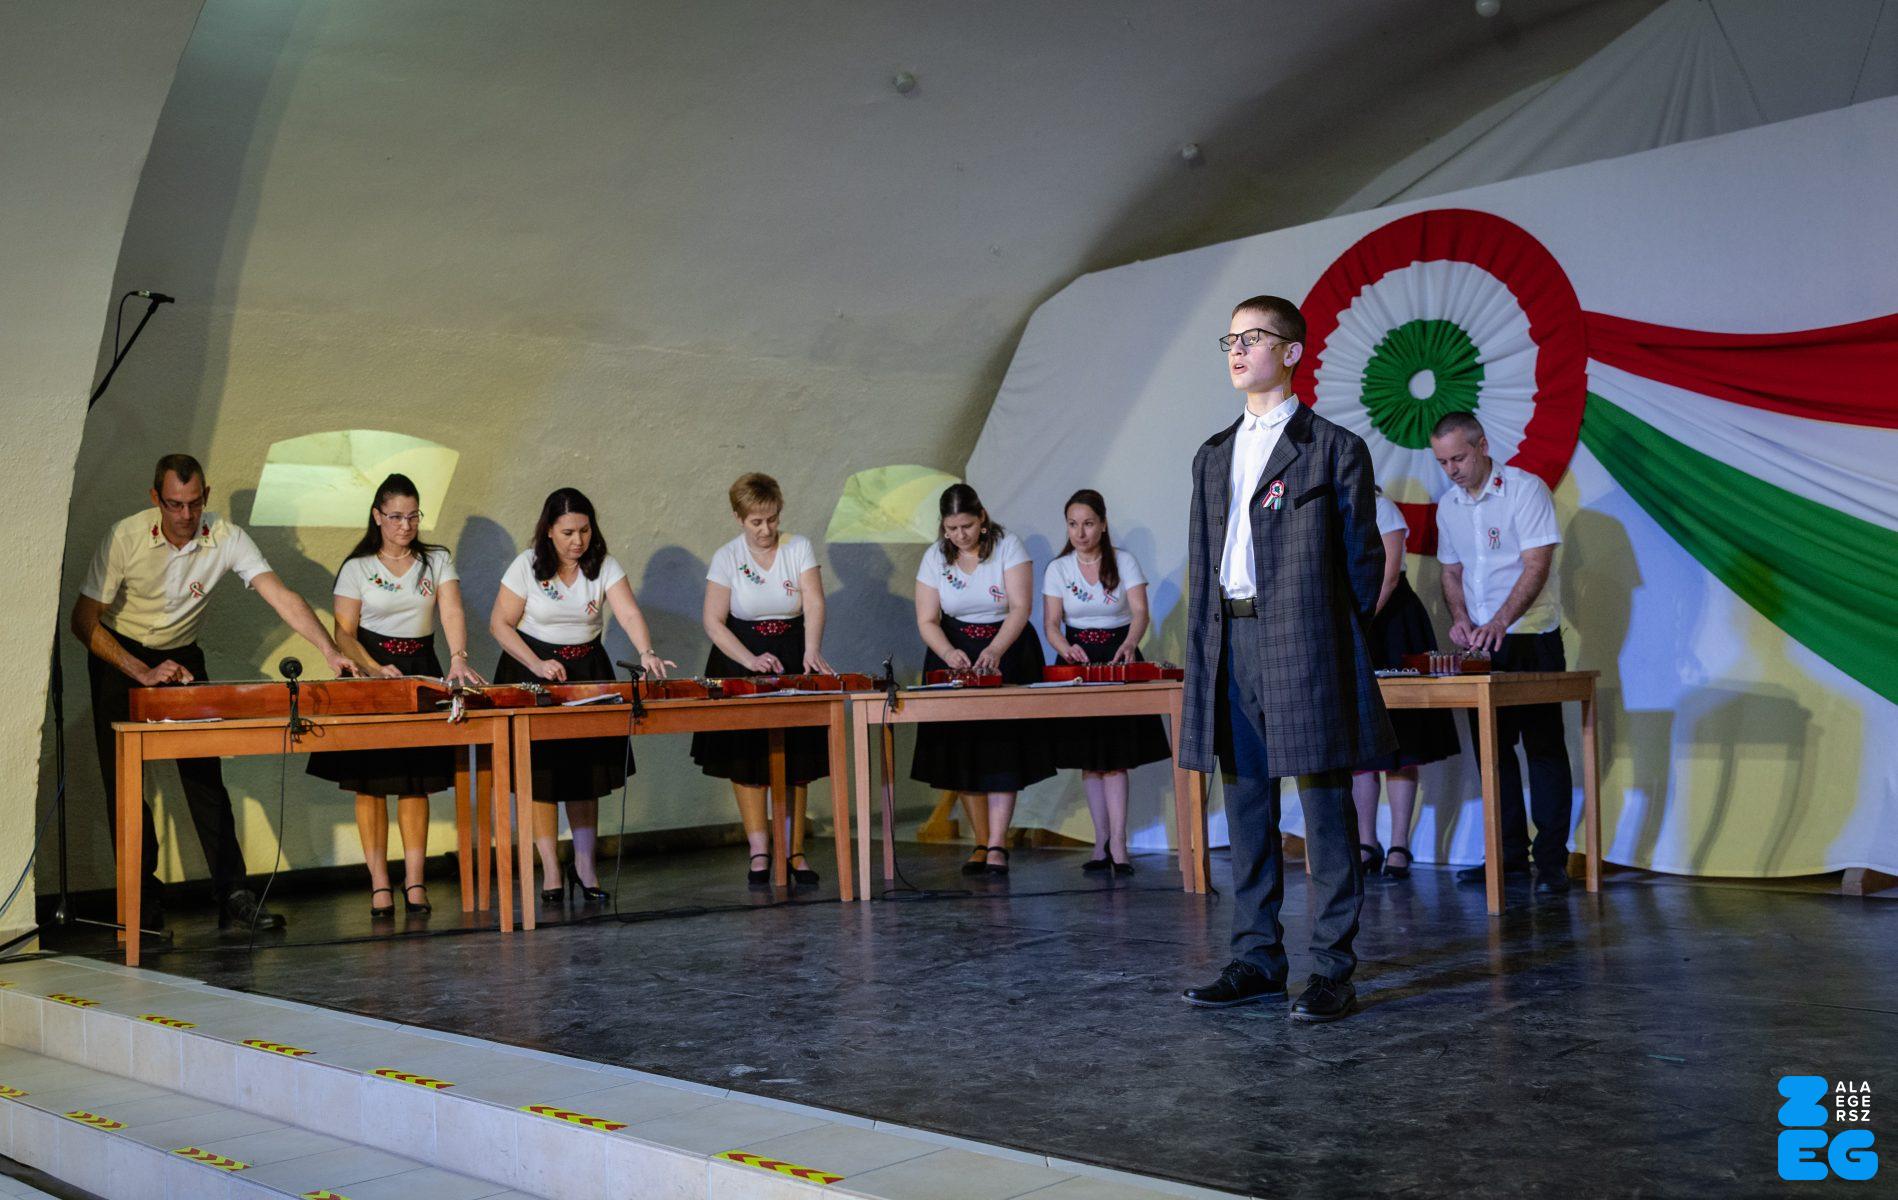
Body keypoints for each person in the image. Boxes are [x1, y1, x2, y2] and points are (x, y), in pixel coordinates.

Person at [1177, 296, 1394, 1022]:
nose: (1238, 351)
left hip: (1306, 640)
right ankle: (1257, 958)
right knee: (1246, 805)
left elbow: (1363, 563)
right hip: (1230, 639)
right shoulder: (1213, 453)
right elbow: (1205, 561)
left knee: (1324, 808)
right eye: (1231, 339)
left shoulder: (1333, 447)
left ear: (1292, 351)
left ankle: (1331, 967)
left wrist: (1326, 632)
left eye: (1254, 337)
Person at [71, 453, 358, 933]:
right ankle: (141, 902)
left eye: (194, 503)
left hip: (182, 655)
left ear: (205, 496)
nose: (185, 515)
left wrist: (329, 651)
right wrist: (141, 671)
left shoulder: (225, 535)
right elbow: (83, 621)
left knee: (204, 777)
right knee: (124, 784)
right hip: (121, 658)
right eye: (174, 504)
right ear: (156, 498)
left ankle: (233, 893)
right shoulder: (125, 536)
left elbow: (282, 596)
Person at [307, 474, 484, 917]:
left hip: (420, 666)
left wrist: (458, 657)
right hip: (371, 671)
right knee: (370, 783)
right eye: (396, 517)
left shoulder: (436, 560)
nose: (406, 525)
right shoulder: (357, 567)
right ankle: (380, 884)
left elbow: (451, 610)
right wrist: (371, 668)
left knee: (414, 781)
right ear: (377, 516)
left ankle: (416, 881)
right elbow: (343, 634)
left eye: (413, 516)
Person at [490, 487, 674, 907]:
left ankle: (585, 865)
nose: (578, 540)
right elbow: (500, 624)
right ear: (549, 531)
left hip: (587, 670)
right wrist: (537, 663)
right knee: (542, 777)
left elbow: (628, 612)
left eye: (585, 530)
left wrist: (646, 651)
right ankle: (552, 870)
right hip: (534, 670)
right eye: (568, 532)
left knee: (584, 774)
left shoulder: (603, 565)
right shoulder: (526, 566)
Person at [1428, 411, 1573, 895]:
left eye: (1459, 458)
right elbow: (1451, 572)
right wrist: (1461, 618)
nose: (1452, 469)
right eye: (1443, 462)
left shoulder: (1525, 491)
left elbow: (1536, 565)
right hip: (1480, 645)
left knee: (1544, 748)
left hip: (1530, 637)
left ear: (1483, 446)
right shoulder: (1448, 505)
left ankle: (1551, 862)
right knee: (1493, 752)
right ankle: (1508, 857)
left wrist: (1500, 621)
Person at [690, 472, 834, 887]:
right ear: (739, 518)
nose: (766, 529)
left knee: (796, 757)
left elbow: (814, 602)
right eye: (756, 521)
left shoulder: (798, 547)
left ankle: (795, 851)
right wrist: (750, 660)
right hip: (741, 656)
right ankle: (759, 851)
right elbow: (714, 621)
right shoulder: (726, 557)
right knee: (747, 758)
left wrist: (811, 649)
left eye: (772, 519)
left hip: (791, 651)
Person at [910, 483, 1053, 876]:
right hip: (954, 650)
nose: (960, 535)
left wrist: (995, 650)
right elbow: (927, 619)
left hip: (1006, 648)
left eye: (967, 527)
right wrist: (948, 653)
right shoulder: (934, 557)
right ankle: (979, 841)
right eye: (952, 529)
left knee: (1001, 746)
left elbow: (1020, 607)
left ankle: (997, 845)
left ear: (982, 517)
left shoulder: (1008, 546)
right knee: (963, 748)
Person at [1041, 488, 1171, 876]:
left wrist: (1130, 643)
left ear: (1103, 524)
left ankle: (1119, 844)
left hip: (1118, 656)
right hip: (1077, 661)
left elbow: (1140, 612)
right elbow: (1051, 623)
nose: (1080, 532)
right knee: (1090, 759)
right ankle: (1100, 842)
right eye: (1073, 524)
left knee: (1115, 760)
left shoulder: (1124, 561)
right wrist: (1065, 648)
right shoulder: (1058, 569)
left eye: (1088, 524)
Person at [1352, 486, 1462, 881]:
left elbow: (1388, 578)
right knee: (1361, 744)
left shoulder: (1381, 507)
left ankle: (1399, 844)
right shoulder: (1330, 509)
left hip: (1392, 626)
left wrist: (1359, 621)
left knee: (1402, 741)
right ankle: (1366, 842)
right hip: (1354, 623)